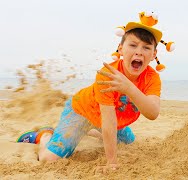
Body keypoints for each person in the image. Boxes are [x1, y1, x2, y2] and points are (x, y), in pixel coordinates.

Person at [16, 11, 174, 171]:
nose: (139, 51)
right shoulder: (106, 74)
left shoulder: (151, 78)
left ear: (154, 54)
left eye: (146, 48)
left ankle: (88, 131)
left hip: (110, 120)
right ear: (120, 49)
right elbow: (108, 121)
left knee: (128, 142)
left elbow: (153, 113)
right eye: (133, 45)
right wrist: (111, 161)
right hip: (82, 111)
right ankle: (44, 135)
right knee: (49, 159)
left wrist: (129, 88)